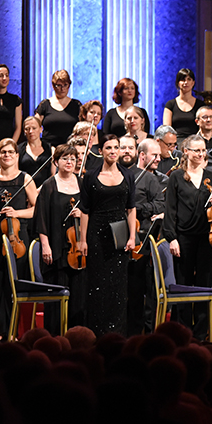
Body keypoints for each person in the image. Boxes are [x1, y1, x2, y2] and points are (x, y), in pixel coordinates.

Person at [0, 138, 38, 340]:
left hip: (17, 239)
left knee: (14, 286)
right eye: (3, 152)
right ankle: (1, 331)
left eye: (11, 152)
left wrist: (17, 213)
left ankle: (14, 331)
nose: (7, 155)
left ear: (17, 155)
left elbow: (36, 209)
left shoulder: (25, 178)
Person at [78, 134, 137, 337]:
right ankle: (97, 332)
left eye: (116, 147)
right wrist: (83, 239)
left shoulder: (128, 175)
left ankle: (117, 333)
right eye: (108, 148)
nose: (113, 151)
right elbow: (85, 210)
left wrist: (131, 237)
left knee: (118, 286)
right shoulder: (91, 176)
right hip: (96, 232)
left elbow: (131, 208)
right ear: (101, 151)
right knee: (97, 284)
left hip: (120, 233)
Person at [163, 134, 212, 339]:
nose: (201, 154)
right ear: (185, 151)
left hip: (206, 237)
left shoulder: (211, 175)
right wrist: (172, 238)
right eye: (196, 150)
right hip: (183, 237)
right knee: (184, 283)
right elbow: (170, 210)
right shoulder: (176, 176)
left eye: (203, 150)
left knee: (204, 283)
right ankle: (183, 331)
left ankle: (202, 332)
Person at [35, 144, 85, 334]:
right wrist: (45, 246)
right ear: (56, 162)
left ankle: (76, 337)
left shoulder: (82, 184)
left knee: (79, 297)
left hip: (78, 249)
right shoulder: (49, 185)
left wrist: (83, 213)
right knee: (56, 298)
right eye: (65, 158)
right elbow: (41, 219)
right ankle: (55, 338)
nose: (70, 162)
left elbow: (91, 212)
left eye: (73, 158)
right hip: (55, 248)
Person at [126, 137, 166, 336]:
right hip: (124, 237)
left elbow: (160, 205)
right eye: (155, 155)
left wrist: (137, 208)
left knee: (147, 288)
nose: (159, 159)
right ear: (142, 155)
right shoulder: (126, 175)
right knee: (129, 291)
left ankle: (148, 332)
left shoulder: (152, 179)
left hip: (144, 239)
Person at [34, 69, 83, 148]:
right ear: (53, 86)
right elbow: (34, 126)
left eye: (65, 85)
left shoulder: (76, 105)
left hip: (70, 148)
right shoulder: (45, 105)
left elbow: (83, 127)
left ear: (69, 85)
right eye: (59, 85)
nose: (62, 89)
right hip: (48, 148)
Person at [163, 68, 200, 138]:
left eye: (189, 79)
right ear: (178, 83)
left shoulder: (200, 105)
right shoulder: (170, 105)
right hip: (175, 142)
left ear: (193, 83)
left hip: (195, 141)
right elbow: (166, 129)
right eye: (183, 80)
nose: (186, 82)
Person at [19, 115, 54, 189]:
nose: (31, 131)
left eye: (34, 128)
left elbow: (53, 175)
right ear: (24, 132)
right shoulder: (19, 150)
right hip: (25, 189)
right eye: (27, 129)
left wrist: (41, 189)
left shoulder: (51, 149)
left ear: (41, 129)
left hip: (46, 189)